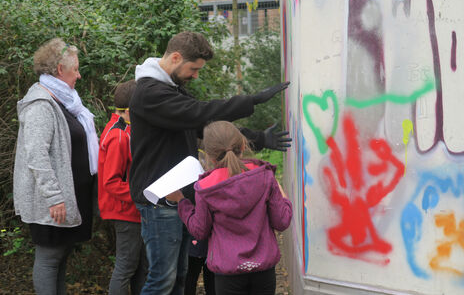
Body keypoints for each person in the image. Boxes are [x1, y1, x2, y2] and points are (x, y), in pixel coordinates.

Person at [129, 31, 290, 294]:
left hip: (179, 198)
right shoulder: (149, 94)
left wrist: (258, 138)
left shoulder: (171, 90)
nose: (195, 76)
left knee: (180, 277)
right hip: (159, 200)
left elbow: (208, 128)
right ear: (176, 57)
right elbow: (201, 112)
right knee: (162, 280)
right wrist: (251, 101)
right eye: (193, 69)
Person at [13, 37, 99, 295]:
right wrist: (54, 197)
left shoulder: (65, 101)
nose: (80, 76)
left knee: (60, 259)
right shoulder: (41, 104)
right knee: (50, 259)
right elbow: (37, 155)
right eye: (76, 69)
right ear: (60, 70)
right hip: (51, 201)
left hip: (67, 198)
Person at [169, 120, 293, 295]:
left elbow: (200, 230)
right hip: (264, 271)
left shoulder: (206, 187)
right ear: (243, 145)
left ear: (210, 156)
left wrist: (181, 201)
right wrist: (284, 197)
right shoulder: (264, 176)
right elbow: (282, 221)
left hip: (227, 274)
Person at [97, 79, 147, 295]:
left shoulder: (125, 128)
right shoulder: (118, 135)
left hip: (133, 210)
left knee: (140, 268)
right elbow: (110, 182)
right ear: (132, 108)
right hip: (125, 212)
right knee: (125, 267)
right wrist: (141, 196)